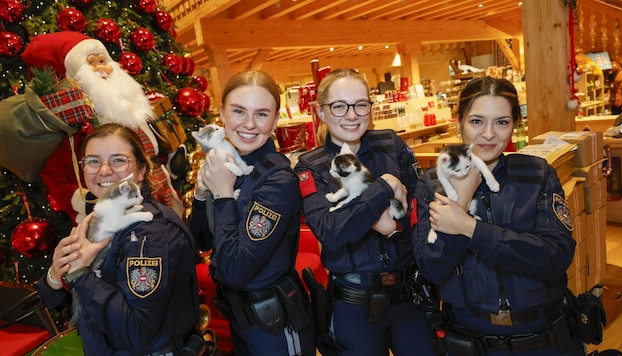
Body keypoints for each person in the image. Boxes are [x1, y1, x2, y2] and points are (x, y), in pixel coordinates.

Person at [412, 77, 584, 355]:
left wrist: (469, 228)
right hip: (473, 340)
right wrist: (462, 199)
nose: (489, 134)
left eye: (501, 122)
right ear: (459, 123)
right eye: (477, 121)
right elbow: (433, 268)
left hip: (546, 338)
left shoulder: (537, 174)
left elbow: (556, 256)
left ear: (515, 125)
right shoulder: (432, 185)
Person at [294, 68, 435, 356]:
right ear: (321, 112)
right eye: (339, 106)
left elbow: (423, 208)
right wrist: (385, 185)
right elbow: (331, 231)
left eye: (360, 104)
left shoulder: (391, 144)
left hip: (408, 295)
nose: (352, 114)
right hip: (354, 304)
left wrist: (392, 226)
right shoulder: (312, 166)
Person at [36, 123, 200, 355]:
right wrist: (56, 274)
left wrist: (79, 275)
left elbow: (137, 331)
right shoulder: (95, 219)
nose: (104, 171)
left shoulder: (151, 232)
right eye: (93, 161)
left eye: (119, 160)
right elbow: (51, 298)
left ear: (142, 170)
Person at [187, 70, 316, 356]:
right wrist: (201, 193)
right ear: (221, 113)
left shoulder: (277, 180)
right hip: (240, 316)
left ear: (275, 120)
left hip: (275, 325)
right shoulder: (227, 163)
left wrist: (221, 194)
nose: (248, 124)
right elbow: (201, 243)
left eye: (261, 114)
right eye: (238, 111)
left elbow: (236, 270)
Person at [19, 31, 184, 223]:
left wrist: (173, 159)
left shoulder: (131, 107)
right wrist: (86, 203)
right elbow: (57, 178)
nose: (102, 69)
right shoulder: (74, 127)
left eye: (103, 61)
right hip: (115, 217)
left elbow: (148, 153)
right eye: (92, 63)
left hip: (162, 201)